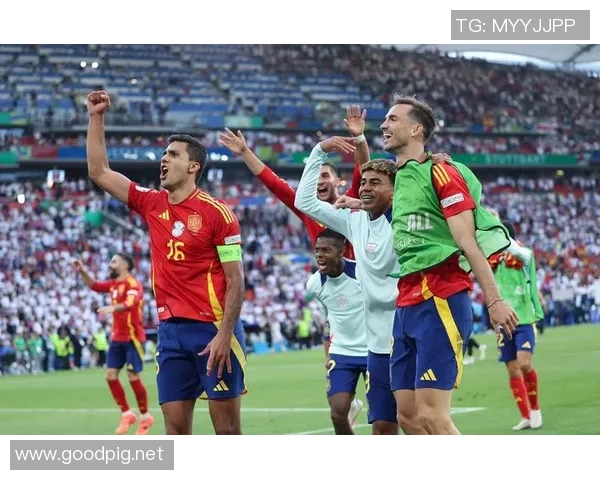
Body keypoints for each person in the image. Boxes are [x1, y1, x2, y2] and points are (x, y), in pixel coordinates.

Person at [85, 90, 247, 435]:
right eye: (163, 154)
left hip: (212, 329)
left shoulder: (218, 214)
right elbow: (99, 171)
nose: (164, 159)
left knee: (227, 431)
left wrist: (224, 335)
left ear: (193, 166)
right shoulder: (151, 203)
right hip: (170, 332)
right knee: (174, 433)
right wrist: (96, 117)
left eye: (173, 154)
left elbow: (236, 280)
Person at [382, 94, 519, 435]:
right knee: (407, 417)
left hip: (439, 294)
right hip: (405, 299)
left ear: (416, 130)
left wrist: (494, 300)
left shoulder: (441, 173)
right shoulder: (398, 178)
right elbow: (369, 182)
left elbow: (467, 242)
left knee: (432, 415)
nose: (384, 124)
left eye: (393, 119)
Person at [295, 136, 399, 435]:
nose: (364, 187)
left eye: (374, 183)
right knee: (382, 425)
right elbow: (303, 202)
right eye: (362, 182)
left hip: (403, 333)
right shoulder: (355, 222)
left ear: (396, 192)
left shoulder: (407, 221)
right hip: (374, 345)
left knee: (419, 418)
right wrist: (319, 151)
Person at [218, 105, 372, 260]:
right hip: (327, 274)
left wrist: (359, 137)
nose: (319, 182)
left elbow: (363, 168)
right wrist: (245, 152)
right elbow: (274, 184)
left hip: (359, 273)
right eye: (316, 177)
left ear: (338, 181)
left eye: (325, 176)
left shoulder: (351, 201)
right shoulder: (307, 209)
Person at [74, 254, 153, 435]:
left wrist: (112, 308)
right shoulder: (113, 284)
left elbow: (130, 303)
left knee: (132, 376)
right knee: (110, 376)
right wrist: (82, 271)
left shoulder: (133, 284)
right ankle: (127, 414)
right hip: (117, 338)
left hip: (133, 338)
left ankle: (145, 417)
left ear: (125, 265)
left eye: (114, 261)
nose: (110, 265)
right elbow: (94, 285)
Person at [305, 229, 368, 434]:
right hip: (342, 352)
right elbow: (330, 318)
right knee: (337, 413)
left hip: (373, 351)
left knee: (384, 417)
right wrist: (327, 354)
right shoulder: (315, 284)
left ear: (341, 252)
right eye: (317, 250)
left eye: (326, 250)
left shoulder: (363, 274)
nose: (319, 255)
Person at [488, 220, 544, 430]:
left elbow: (524, 254)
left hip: (524, 320)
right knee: (512, 369)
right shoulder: (492, 260)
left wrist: (504, 239)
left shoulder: (523, 255)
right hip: (504, 322)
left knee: (524, 363)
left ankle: (535, 409)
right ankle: (525, 416)